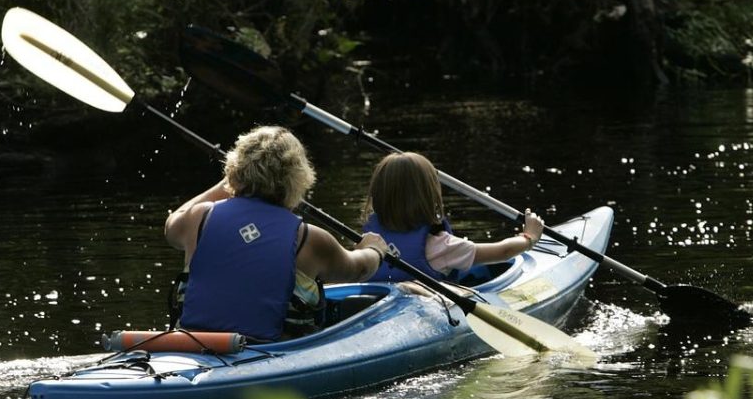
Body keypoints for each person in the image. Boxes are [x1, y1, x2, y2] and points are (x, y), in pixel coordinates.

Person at [164, 126, 388, 341]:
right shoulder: (309, 238)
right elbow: (358, 269)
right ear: (299, 178)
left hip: (193, 345)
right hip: (270, 352)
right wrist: (374, 249)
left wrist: (230, 181)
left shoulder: (198, 218)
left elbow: (172, 225)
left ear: (234, 170)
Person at [361, 151, 544, 282]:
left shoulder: (367, 242)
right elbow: (503, 252)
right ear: (429, 196)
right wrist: (529, 237)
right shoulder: (442, 246)